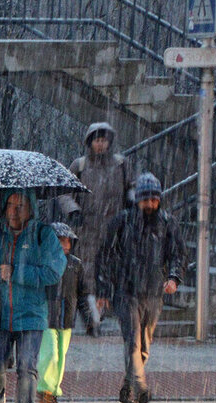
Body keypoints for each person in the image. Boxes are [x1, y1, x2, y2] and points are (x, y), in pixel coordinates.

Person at [0, 190, 66, 403]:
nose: (14, 212)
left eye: (20, 206)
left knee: (27, 367)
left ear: (31, 209)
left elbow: (54, 272)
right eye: (10, 205)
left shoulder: (43, 235)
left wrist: (18, 272)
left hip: (31, 315)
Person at [95, 173, 184, 403]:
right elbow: (104, 254)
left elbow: (176, 254)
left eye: (154, 200)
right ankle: (141, 387)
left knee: (143, 344)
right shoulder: (122, 221)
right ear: (138, 200)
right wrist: (104, 288)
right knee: (133, 340)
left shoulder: (167, 223)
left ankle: (129, 385)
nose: (150, 205)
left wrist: (174, 278)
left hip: (153, 292)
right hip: (126, 290)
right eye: (146, 200)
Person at [57, 121, 135, 336]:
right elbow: (64, 192)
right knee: (88, 275)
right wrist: (74, 211)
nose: (100, 145)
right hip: (87, 229)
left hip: (115, 230)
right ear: (90, 143)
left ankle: (113, 313)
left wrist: (131, 205)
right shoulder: (80, 165)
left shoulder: (120, 164)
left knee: (113, 273)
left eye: (104, 140)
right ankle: (92, 320)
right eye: (97, 140)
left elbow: (132, 187)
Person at [37, 222, 87, 403]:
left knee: (60, 357)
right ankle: (46, 391)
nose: (64, 244)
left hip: (66, 316)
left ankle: (52, 392)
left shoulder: (75, 264)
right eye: (60, 240)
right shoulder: (44, 261)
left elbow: (82, 291)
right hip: (47, 315)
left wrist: (89, 317)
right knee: (50, 354)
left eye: (67, 241)